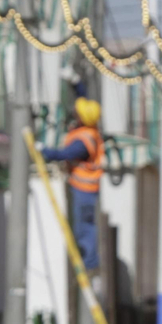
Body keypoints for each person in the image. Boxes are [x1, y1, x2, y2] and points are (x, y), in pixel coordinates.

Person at [41, 87, 105, 271]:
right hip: (86, 189)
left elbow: (65, 154)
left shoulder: (83, 140)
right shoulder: (89, 129)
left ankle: (89, 265)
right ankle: (88, 261)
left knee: (84, 228)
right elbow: (83, 100)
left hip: (84, 190)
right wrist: (78, 85)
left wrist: (44, 150)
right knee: (85, 226)